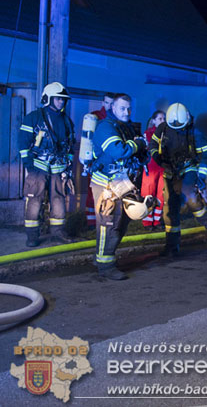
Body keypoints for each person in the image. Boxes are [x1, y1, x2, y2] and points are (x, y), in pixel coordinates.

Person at [90, 93, 150, 280]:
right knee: (109, 225)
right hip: (106, 185)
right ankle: (105, 266)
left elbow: (137, 152)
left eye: (129, 108)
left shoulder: (126, 127)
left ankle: (101, 258)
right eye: (122, 108)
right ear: (113, 108)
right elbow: (119, 151)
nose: (127, 111)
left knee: (121, 224)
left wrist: (141, 151)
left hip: (122, 182)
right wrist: (137, 144)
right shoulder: (105, 127)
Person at [148, 103, 207, 257]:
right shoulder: (163, 128)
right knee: (170, 207)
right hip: (169, 170)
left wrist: (201, 177)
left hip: (188, 167)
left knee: (188, 195)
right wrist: (158, 158)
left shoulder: (195, 132)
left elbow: (206, 155)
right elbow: (152, 145)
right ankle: (172, 245)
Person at [19, 82, 76, 247]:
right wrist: (29, 164)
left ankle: (58, 233)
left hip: (59, 168)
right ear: (48, 99)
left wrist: (68, 165)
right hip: (38, 167)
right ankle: (32, 236)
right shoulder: (34, 117)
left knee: (58, 200)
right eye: (58, 99)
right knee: (34, 200)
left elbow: (71, 145)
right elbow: (23, 143)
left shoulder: (67, 121)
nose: (61, 102)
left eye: (63, 100)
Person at [85, 92, 115, 227]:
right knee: (93, 191)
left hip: (110, 161)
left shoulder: (115, 118)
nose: (109, 106)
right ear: (103, 103)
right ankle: (91, 221)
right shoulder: (95, 116)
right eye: (107, 103)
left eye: (111, 103)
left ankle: (105, 220)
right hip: (95, 160)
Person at [141, 111, 166, 230]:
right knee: (148, 194)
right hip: (151, 167)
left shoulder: (168, 133)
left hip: (163, 166)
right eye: (160, 118)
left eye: (164, 118)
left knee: (161, 194)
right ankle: (147, 222)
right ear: (154, 120)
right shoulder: (148, 133)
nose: (163, 120)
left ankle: (157, 221)